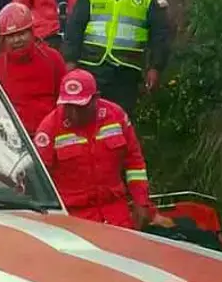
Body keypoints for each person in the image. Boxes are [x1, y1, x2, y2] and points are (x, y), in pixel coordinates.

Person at [33, 69, 162, 229]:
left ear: (96, 98)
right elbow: (37, 179)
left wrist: (141, 201)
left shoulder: (116, 116)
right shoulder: (49, 128)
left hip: (116, 213)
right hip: (73, 218)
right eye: (68, 106)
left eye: (80, 107)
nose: (73, 113)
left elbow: (134, 163)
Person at [63, 0, 171, 118]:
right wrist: (70, 63)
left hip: (126, 73)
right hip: (91, 68)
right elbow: (74, 28)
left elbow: (160, 35)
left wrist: (155, 67)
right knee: (86, 120)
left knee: (117, 123)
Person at [0, 2, 65, 133]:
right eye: (11, 36)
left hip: (51, 134)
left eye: (22, 33)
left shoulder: (52, 59)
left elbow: (63, 100)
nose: (17, 40)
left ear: (32, 32)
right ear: (2, 40)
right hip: (13, 137)